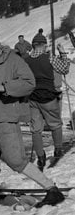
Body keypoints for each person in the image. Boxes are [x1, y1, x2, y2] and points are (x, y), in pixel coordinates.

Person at [0, 27, 65, 215]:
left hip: (6, 118)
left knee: (16, 160)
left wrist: (4, 87)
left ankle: (52, 189)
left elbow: (29, 83)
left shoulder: (14, 60)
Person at [23, 35, 70, 168]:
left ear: (33, 45)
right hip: (48, 96)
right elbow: (64, 69)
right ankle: (58, 149)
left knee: (35, 129)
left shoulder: (25, 60)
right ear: (43, 45)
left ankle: (40, 156)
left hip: (32, 97)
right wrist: (63, 54)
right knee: (55, 124)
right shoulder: (49, 58)